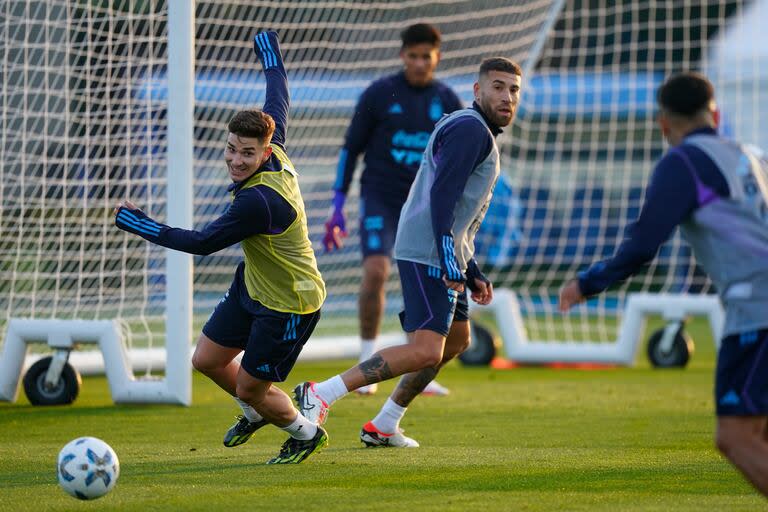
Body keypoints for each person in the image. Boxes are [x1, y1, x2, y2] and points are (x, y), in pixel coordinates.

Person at [114, 32, 328, 465]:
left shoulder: (259, 201)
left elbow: (202, 243)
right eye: (231, 149)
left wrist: (138, 223)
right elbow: (278, 92)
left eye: (246, 154)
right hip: (254, 285)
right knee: (207, 359)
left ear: (264, 152)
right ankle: (255, 411)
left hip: (290, 302)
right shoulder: (274, 144)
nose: (235, 160)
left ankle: (306, 433)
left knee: (251, 386)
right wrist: (269, 50)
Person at [559, 72, 768, 498]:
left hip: (758, 309)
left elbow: (644, 243)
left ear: (663, 124)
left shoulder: (683, 163)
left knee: (737, 437)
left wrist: (588, 282)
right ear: (716, 113)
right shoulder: (750, 154)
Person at [299, 57, 523, 447]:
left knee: (455, 341)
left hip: (443, 249)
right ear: (478, 90)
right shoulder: (472, 130)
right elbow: (442, 196)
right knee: (424, 350)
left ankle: (385, 423)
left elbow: (457, 210)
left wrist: (471, 268)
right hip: (428, 252)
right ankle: (323, 392)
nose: (507, 96)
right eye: (498, 86)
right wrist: (447, 254)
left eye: (514, 89)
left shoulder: (468, 127)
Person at [323, 23, 463, 396]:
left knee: (422, 280)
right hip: (380, 199)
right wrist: (337, 206)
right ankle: (367, 358)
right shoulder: (379, 94)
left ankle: (412, 362)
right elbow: (350, 148)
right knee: (376, 271)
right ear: (403, 55)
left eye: (426, 57)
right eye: (413, 56)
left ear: (437, 57)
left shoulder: (448, 101)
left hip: (423, 206)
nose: (419, 63)